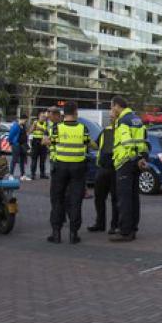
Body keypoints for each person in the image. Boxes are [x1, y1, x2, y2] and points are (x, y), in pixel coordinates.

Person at [47, 101, 90, 244]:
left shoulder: (57, 128)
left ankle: (56, 233)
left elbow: (52, 144)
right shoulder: (83, 128)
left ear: (63, 113)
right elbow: (86, 144)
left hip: (60, 166)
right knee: (76, 200)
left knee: (57, 199)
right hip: (78, 167)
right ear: (76, 112)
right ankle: (73, 234)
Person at [109, 96, 149, 242]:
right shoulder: (137, 119)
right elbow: (143, 142)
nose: (111, 110)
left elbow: (126, 142)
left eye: (112, 107)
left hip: (125, 162)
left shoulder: (123, 121)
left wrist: (133, 158)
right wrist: (141, 158)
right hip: (136, 163)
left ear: (117, 106)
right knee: (133, 198)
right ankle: (132, 229)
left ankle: (125, 231)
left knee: (124, 199)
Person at [88, 114, 119, 234]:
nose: (110, 119)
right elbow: (97, 145)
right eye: (110, 117)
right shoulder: (106, 131)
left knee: (115, 199)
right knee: (99, 197)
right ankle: (100, 223)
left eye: (113, 117)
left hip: (116, 169)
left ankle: (114, 225)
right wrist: (87, 141)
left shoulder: (122, 130)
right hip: (102, 168)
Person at [29, 112, 50, 180]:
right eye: (42, 116)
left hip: (43, 142)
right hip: (35, 142)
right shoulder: (35, 123)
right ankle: (33, 174)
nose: (43, 118)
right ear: (38, 117)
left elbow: (48, 132)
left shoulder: (46, 123)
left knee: (43, 160)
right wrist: (34, 126)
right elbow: (30, 131)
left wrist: (41, 129)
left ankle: (42, 174)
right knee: (34, 159)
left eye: (44, 117)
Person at [9, 115, 30, 180]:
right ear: (22, 119)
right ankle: (11, 175)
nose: (26, 122)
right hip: (16, 145)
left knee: (22, 160)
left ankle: (23, 175)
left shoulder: (23, 126)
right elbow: (10, 136)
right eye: (25, 121)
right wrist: (12, 143)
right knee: (14, 160)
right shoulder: (15, 126)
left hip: (22, 145)